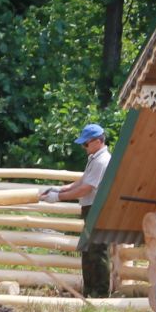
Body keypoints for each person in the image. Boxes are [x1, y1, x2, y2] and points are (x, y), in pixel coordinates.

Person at [41, 123, 113, 298]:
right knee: (88, 250)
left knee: (97, 251)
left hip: (97, 208)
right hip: (91, 207)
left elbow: (86, 188)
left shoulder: (101, 161)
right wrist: (60, 189)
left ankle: (101, 293)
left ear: (97, 141)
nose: (83, 147)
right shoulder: (95, 158)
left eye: (86, 143)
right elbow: (81, 182)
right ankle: (90, 290)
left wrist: (59, 197)